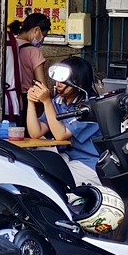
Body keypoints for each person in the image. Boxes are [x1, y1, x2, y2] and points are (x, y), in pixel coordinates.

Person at [25, 56, 101, 187]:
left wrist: (46, 101)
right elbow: (35, 132)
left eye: (64, 81)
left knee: (53, 184)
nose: (58, 84)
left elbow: (61, 134)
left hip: (88, 163)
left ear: (79, 84)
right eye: (58, 79)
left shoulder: (90, 106)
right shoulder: (58, 102)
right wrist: (31, 102)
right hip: (67, 158)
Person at [9, 12, 51, 101]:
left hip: (8, 97)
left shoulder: (10, 45)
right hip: (26, 99)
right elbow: (41, 86)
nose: (43, 39)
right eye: (44, 35)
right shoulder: (33, 51)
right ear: (36, 30)